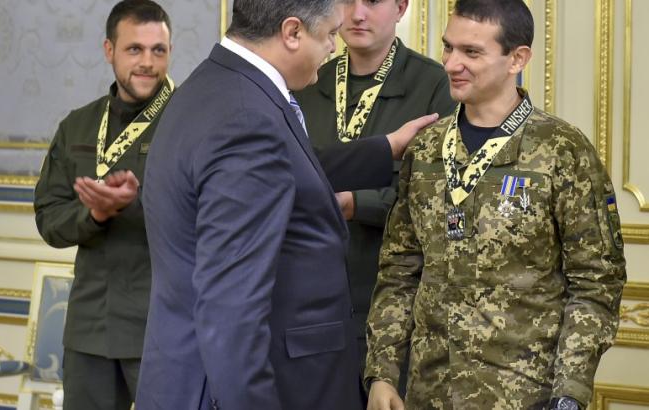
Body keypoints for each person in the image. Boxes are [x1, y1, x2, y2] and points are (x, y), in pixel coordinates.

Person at [135, 0, 439, 409]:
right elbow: (232, 315)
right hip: (245, 386)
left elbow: (286, 169)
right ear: (292, 32)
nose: (334, 47)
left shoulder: (218, 85)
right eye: (329, 34)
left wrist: (385, 148)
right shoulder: (246, 120)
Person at [364, 0, 627, 409]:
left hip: (525, 395)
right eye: (448, 47)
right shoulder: (427, 148)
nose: (452, 63)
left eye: (471, 52)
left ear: (516, 59)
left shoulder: (562, 150)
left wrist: (569, 394)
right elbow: (399, 268)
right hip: (428, 392)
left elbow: (596, 282)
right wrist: (382, 372)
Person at [295, 0, 455, 388]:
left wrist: (355, 205)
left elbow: (444, 196)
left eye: (371, 1)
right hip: (312, 310)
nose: (357, 14)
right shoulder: (309, 80)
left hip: (397, 311)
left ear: (401, 7)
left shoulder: (434, 84)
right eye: (347, 1)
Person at [33, 1, 173, 408]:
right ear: (109, 50)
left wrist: (135, 204)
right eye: (134, 49)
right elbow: (49, 218)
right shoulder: (77, 125)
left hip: (163, 327)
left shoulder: (190, 120)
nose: (147, 62)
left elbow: (212, 216)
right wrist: (96, 213)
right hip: (90, 327)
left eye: (159, 50)